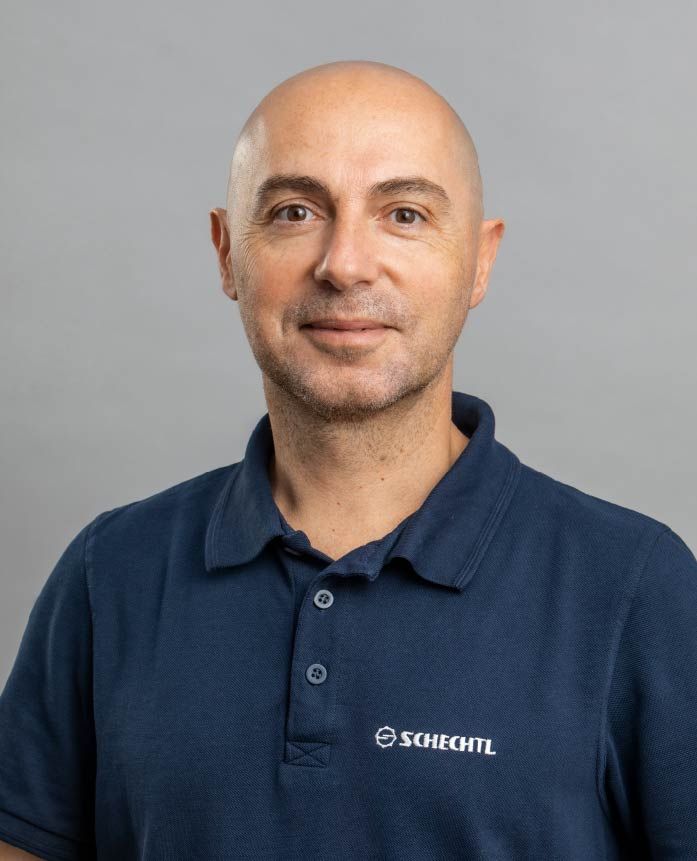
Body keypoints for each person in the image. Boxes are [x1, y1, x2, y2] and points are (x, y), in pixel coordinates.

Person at [0, 59, 695, 861]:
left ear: (479, 260)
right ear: (226, 253)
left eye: (403, 214)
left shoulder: (634, 586)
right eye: (295, 211)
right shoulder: (109, 572)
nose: (344, 264)